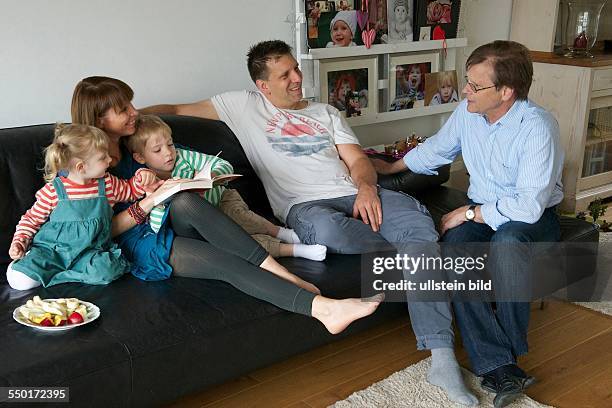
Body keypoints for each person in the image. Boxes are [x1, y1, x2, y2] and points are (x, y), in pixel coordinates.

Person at [142, 40, 478, 406]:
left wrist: (367, 189)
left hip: (355, 193)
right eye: (285, 74)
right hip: (305, 207)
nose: (297, 78)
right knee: (350, 234)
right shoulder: (240, 106)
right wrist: (125, 119)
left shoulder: (326, 112)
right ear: (263, 85)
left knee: (416, 226)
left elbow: (357, 161)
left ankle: (442, 359)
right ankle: (417, 256)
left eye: (296, 69)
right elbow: (173, 109)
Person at [70, 76, 384, 335]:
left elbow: (188, 159)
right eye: (123, 109)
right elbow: (101, 231)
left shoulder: (135, 143)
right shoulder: (82, 166)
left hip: (169, 222)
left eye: (131, 104)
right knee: (226, 263)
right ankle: (325, 309)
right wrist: (151, 199)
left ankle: (280, 272)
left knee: (184, 199)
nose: (133, 111)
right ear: (100, 119)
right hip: (137, 243)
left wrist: (199, 179)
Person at [372, 41, 564, 408]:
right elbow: (437, 149)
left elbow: (527, 207)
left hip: (532, 219)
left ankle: (503, 361)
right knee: (454, 250)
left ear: (506, 92)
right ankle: (501, 367)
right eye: (466, 82)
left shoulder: (538, 127)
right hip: (482, 210)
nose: (465, 91)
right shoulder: (468, 112)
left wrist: (471, 213)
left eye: (476, 86)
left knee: (508, 244)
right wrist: (389, 169)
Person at [127, 114, 327, 261]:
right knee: (237, 242)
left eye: (170, 144)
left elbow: (222, 164)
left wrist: (212, 175)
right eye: (157, 150)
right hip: (207, 220)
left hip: (222, 198)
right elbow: (155, 225)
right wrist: (158, 200)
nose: (169, 153)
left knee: (240, 216)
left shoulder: (183, 156)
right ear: (140, 157)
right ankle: (294, 250)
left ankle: (278, 231)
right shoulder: (147, 181)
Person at [7, 124, 156, 290]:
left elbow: (131, 191)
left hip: (89, 252)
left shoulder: (107, 184)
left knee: (107, 272)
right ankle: (38, 266)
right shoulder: (54, 191)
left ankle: (58, 275)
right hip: (52, 251)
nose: (110, 160)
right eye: (102, 157)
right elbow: (31, 220)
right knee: (20, 281)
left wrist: (143, 176)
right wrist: (20, 241)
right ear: (81, 167)